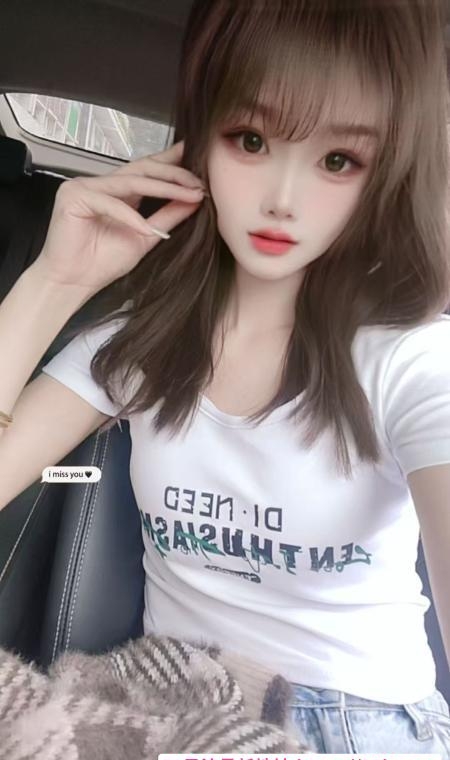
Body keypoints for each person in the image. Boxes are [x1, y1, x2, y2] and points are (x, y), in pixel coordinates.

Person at [1, 0, 450, 753]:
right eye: (251, 140)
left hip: (357, 726)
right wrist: (55, 282)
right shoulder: (136, 347)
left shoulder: (411, 361)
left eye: (338, 160)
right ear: (199, 144)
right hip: (172, 702)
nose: (283, 199)